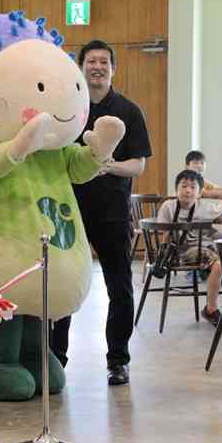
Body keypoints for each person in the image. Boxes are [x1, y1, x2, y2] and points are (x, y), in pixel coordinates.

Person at [57, 39, 152, 385]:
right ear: (81, 67)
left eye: (104, 62)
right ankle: (56, 359)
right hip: (68, 210)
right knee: (63, 283)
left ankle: (118, 360)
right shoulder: (69, 106)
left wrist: (105, 165)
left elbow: (138, 165)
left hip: (112, 212)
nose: (97, 67)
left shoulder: (129, 110)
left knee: (119, 287)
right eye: (91, 61)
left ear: (113, 69)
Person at [156, 170, 222, 326]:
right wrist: (165, 255)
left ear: (200, 192)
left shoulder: (204, 207)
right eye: (183, 186)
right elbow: (164, 234)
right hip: (183, 251)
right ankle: (211, 309)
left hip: (208, 247)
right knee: (219, 265)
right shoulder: (168, 206)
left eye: (193, 187)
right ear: (176, 189)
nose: (188, 190)